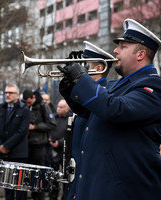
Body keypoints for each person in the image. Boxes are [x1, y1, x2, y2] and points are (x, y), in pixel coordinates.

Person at [58, 18, 161, 199]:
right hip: (103, 186)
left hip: (127, 190)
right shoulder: (116, 85)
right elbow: (87, 110)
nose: (115, 51)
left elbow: (115, 109)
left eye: (123, 47)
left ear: (140, 54)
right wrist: (70, 83)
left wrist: (82, 78)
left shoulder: (152, 86)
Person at [60, 41, 115, 199]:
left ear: (98, 68)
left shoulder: (105, 93)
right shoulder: (84, 92)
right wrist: (69, 83)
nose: (78, 67)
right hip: (77, 169)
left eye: (84, 64)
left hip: (91, 173)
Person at [0, 84, 30, 200]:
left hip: (18, 153)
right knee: (7, 185)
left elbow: (22, 131)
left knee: (19, 186)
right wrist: (0, 146)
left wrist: (6, 145)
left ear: (17, 95)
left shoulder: (24, 109)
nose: (7, 95)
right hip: (4, 154)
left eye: (10, 93)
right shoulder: (2, 108)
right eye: (6, 93)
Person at [22, 89, 56, 200]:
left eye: (29, 102)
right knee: (29, 174)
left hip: (39, 145)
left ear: (33, 97)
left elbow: (52, 124)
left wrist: (36, 127)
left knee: (39, 174)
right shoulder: (26, 107)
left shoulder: (43, 107)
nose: (27, 104)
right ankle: (32, 194)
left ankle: (39, 196)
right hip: (27, 145)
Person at [47, 99, 71, 200]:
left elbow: (69, 135)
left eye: (61, 107)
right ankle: (53, 196)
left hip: (65, 152)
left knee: (66, 177)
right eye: (58, 107)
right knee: (53, 177)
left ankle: (65, 196)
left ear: (67, 109)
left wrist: (59, 143)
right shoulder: (53, 117)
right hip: (53, 151)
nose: (58, 109)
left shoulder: (70, 118)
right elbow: (48, 129)